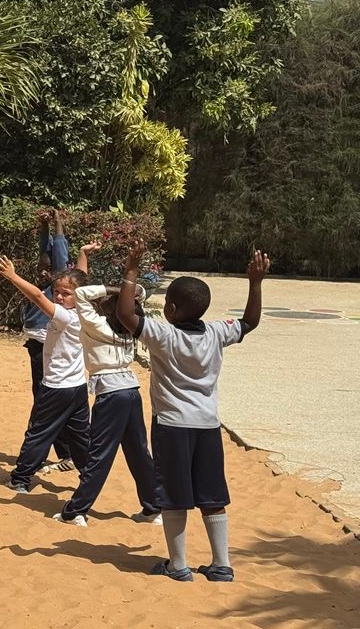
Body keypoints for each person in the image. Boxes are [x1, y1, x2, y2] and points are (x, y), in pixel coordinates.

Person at [116, 243, 268, 583]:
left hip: (172, 426)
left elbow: (127, 316)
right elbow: (249, 322)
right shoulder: (216, 332)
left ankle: (179, 565)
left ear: (170, 307)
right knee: (212, 495)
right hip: (208, 425)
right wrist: (255, 283)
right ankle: (221, 564)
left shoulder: (164, 334)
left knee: (173, 497)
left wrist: (131, 269)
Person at [53, 239, 162, 527]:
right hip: (131, 391)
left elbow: (84, 294)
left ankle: (76, 510)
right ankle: (153, 507)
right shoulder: (129, 328)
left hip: (111, 395)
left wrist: (116, 289)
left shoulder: (96, 324)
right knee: (138, 451)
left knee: (99, 454)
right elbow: (138, 293)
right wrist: (126, 286)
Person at [0, 254, 90, 494]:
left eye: (65, 294)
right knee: (80, 437)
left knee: (39, 432)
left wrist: (12, 276)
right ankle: (90, 475)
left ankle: (20, 478)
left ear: (78, 296)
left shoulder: (66, 317)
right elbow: (81, 281)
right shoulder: (87, 312)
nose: (58, 296)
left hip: (56, 387)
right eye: (56, 291)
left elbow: (37, 296)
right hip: (78, 387)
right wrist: (84, 255)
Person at [22, 210, 72, 472]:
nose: (42, 271)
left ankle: (36, 456)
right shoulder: (42, 284)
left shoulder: (55, 289)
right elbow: (46, 250)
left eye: (46, 269)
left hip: (45, 347)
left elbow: (60, 257)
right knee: (44, 398)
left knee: (43, 401)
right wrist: (43, 225)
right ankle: (64, 452)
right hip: (35, 345)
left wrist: (58, 223)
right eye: (39, 268)